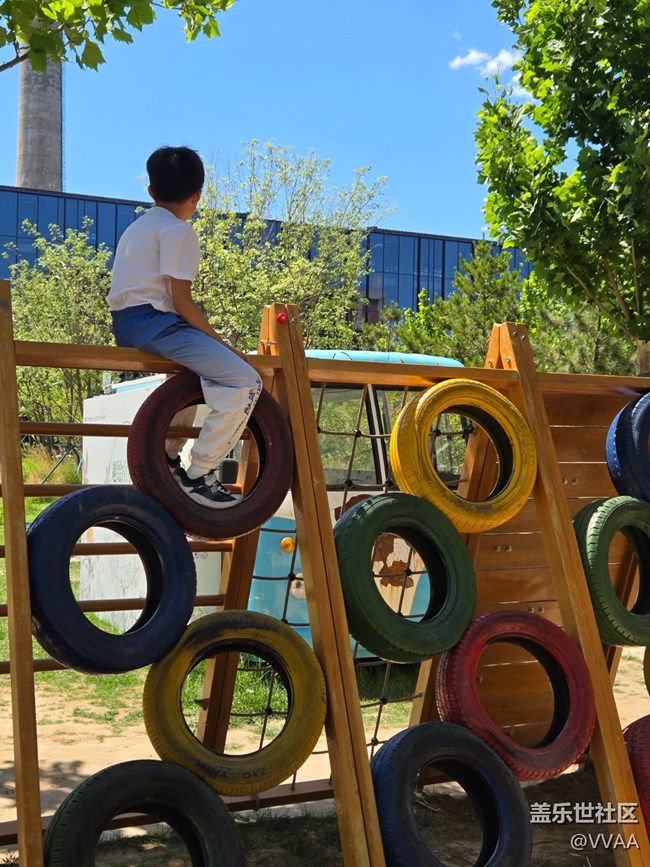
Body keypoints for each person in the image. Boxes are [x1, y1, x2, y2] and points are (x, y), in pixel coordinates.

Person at [107, 145, 262, 508]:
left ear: (150, 192)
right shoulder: (178, 232)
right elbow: (183, 303)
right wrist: (225, 345)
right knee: (246, 380)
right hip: (157, 324)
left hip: (127, 323)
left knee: (192, 375)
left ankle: (168, 454)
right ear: (197, 196)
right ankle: (200, 474)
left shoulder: (136, 228)